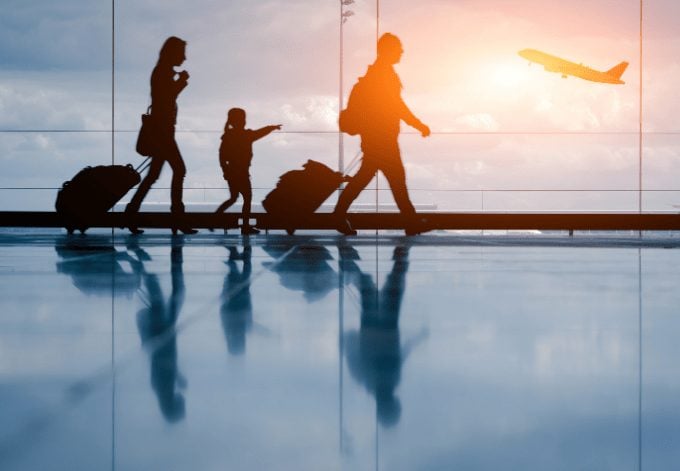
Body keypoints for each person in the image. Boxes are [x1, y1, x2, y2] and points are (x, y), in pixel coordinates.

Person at [335, 33, 431, 236]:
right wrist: (418, 124)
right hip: (382, 138)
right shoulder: (383, 75)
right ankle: (411, 222)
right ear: (388, 50)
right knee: (395, 179)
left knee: (371, 177)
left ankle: (339, 215)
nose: (402, 52)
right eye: (398, 48)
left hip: (376, 137)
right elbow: (397, 106)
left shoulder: (378, 73)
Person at [125, 36, 197, 235]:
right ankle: (177, 219)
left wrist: (179, 81)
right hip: (163, 132)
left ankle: (131, 214)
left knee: (153, 176)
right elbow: (166, 98)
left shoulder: (162, 71)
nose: (184, 58)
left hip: (162, 131)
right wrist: (182, 82)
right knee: (179, 170)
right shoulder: (163, 72)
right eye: (182, 53)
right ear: (173, 53)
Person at [215, 107, 281, 235]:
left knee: (234, 198)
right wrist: (272, 127)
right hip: (241, 173)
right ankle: (244, 226)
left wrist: (225, 171)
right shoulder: (245, 135)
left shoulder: (229, 136)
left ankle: (216, 217)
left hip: (233, 172)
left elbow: (222, 156)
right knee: (247, 197)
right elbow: (260, 133)